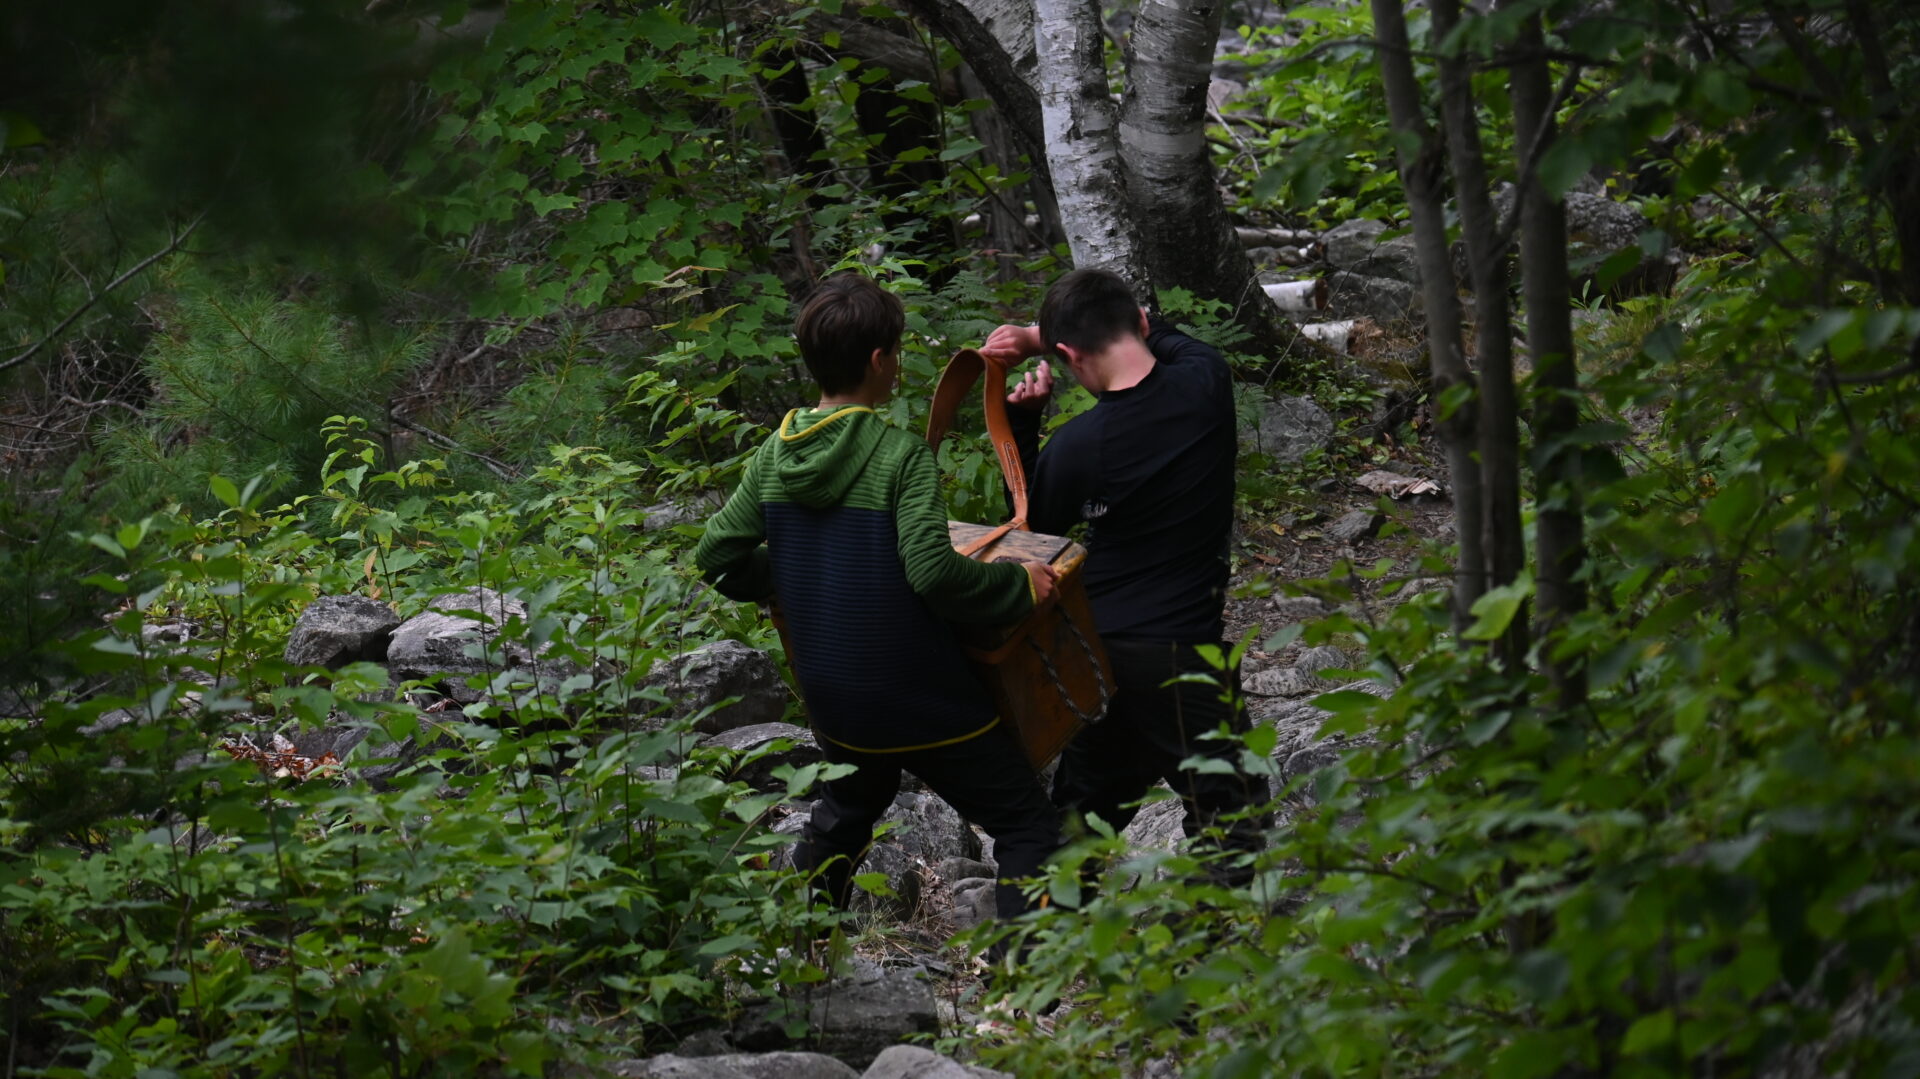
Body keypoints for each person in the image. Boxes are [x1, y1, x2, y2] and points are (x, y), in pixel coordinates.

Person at [694, 272, 1066, 926]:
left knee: (847, 809)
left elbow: (716, 557)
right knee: (1025, 820)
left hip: (835, 698)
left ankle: (803, 954)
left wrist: (797, 575)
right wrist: (1018, 583)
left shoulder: (773, 457)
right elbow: (932, 575)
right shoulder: (897, 456)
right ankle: (1029, 980)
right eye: (895, 352)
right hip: (919, 696)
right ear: (879, 361)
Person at [981, 266, 1267, 884]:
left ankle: (1036, 952)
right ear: (1138, 320)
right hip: (1183, 654)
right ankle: (1215, 958)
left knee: (1080, 822)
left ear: (1067, 357)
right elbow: (1157, 334)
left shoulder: (1081, 445)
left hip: (1098, 649)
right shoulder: (1206, 380)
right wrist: (1038, 334)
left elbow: (1034, 531)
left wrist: (1025, 424)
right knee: (1235, 820)